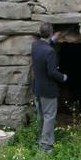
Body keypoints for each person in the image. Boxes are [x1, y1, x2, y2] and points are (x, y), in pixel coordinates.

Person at [31, 23, 67, 153]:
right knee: (49, 116)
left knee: (41, 116)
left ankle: (40, 141)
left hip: (37, 88)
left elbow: (43, 50)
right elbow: (52, 72)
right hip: (48, 90)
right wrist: (63, 77)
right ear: (51, 33)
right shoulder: (50, 52)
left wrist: (52, 40)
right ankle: (46, 147)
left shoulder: (35, 46)